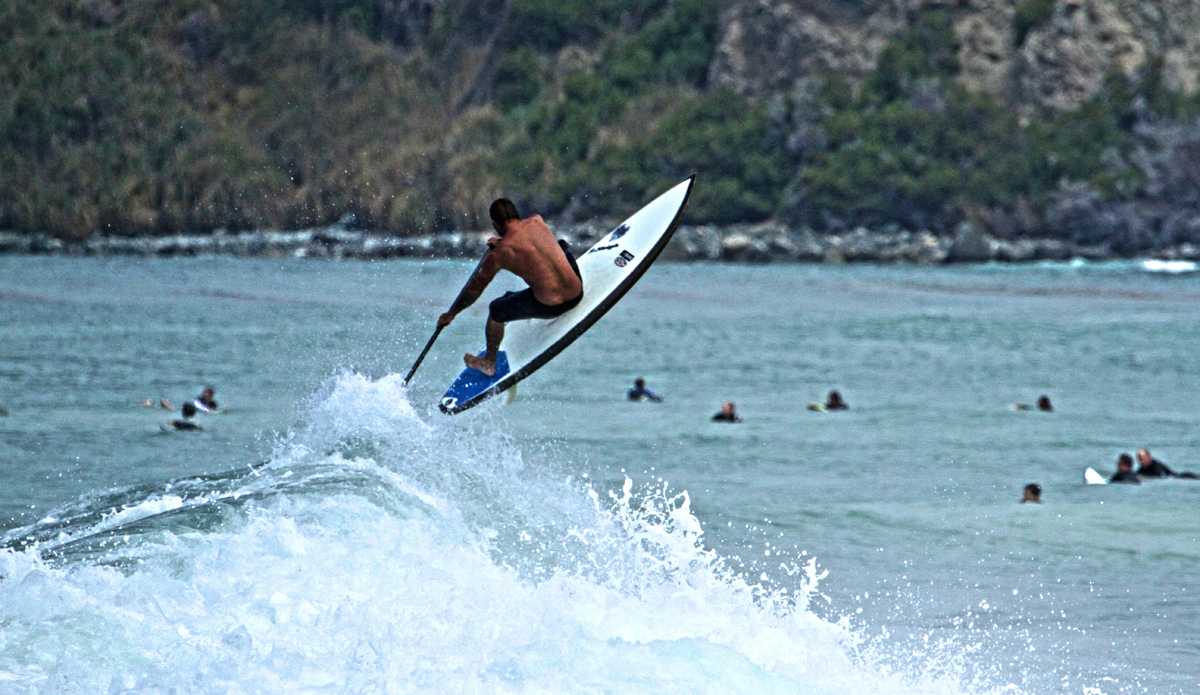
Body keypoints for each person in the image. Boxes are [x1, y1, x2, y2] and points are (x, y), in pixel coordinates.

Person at [437, 199, 584, 376]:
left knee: (496, 309)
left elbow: (474, 289)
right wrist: (502, 242)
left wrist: (451, 313)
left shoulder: (500, 254)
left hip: (554, 306)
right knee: (560, 245)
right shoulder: (537, 221)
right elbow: (529, 245)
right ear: (516, 215)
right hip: (577, 291)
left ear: (495, 223)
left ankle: (488, 363)